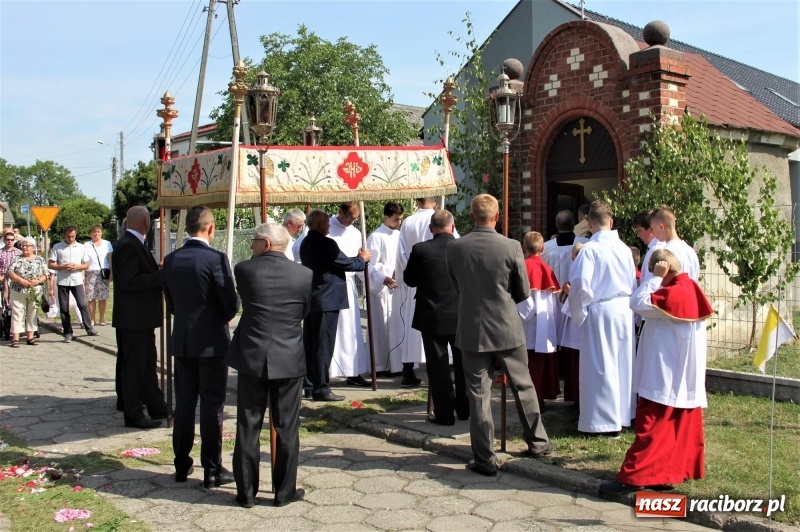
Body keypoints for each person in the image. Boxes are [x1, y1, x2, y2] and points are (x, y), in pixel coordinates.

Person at [447, 194, 552, 476]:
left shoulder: (455, 247)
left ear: (472, 216)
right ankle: (538, 441)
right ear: (496, 217)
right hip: (506, 324)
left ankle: (484, 458)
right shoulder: (511, 246)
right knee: (523, 385)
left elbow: (456, 285)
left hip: (472, 326)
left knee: (478, 394)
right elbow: (523, 291)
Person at [601, 249, 713, 493]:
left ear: (663, 269)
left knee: (653, 425)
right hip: (682, 372)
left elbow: (637, 302)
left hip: (665, 370)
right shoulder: (689, 288)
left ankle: (634, 475)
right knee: (675, 428)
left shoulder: (671, 292)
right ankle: (664, 474)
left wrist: (654, 278)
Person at [227, 223, 312, 508]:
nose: (251, 246)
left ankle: (247, 493)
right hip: (288, 355)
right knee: (287, 426)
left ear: (264, 244)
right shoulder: (304, 274)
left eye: (254, 241)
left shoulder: (244, 270)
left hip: (253, 355)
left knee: (248, 425)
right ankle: (284, 491)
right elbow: (304, 310)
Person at [163, 206, 239, 487]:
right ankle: (212, 468)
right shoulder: (216, 258)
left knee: (184, 404)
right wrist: (223, 315)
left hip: (184, 340)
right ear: (210, 229)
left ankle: (181, 464)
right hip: (211, 342)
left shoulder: (171, 260)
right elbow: (229, 302)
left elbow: (171, 302)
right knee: (212, 405)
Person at [568, 200, 637, 436]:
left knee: (601, 365)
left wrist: (579, 312)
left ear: (589, 223)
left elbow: (580, 284)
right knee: (622, 363)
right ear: (611, 221)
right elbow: (632, 282)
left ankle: (603, 422)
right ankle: (622, 415)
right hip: (624, 309)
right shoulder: (625, 249)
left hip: (601, 310)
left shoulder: (590, 249)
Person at [403, 209, 468, 426]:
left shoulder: (421, 249)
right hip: (460, 314)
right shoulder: (463, 248)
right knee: (463, 364)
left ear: (431, 228)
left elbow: (410, 279)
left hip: (432, 315)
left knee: (438, 366)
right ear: (453, 226)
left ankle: (444, 414)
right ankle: (464, 409)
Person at [300, 209, 370, 401]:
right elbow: (346, 263)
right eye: (327, 222)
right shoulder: (326, 243)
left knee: (311, 343)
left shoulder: (306, 242)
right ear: (320, 224)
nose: (329, 225)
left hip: (313, 297)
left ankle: (309, 383)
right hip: (327, 298)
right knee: (323, 345)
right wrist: (362, 259)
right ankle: (321, 388)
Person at [112, 206, 168, 429]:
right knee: (135, 366)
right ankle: (134, 413)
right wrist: (160, 276)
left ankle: (156, 405)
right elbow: (130, 281)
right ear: (145, 222)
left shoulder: (132, 243)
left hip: (139, 317)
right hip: (134, 316)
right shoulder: (129, 245)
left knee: (146, 363)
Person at [396, 198, 459, 386]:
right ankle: (462, 395)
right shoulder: (455, 238)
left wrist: (412, 275)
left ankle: (409, 369)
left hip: (424, 292)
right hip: (452, 298)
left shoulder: (408, 222)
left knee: (430, 350)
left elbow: (402, 254)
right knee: (456, 354)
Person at [541, 211, 587, 405]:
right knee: (572, 340)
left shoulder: (547, 247)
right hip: (575, 296)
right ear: (574, 223)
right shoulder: (585, 244)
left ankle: (558, 372)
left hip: (554, 297)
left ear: (556, 225)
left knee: (556, 336)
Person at [327, 202, 370, 386]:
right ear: (341, 211)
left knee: (351, 331)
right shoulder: (326, 227)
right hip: (331, 284)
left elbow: (360, 262)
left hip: (349, 284)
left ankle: (353, 371)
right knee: (332, 331)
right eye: (349, 217)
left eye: (355, 218)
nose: (351, 221)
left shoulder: (355, 233)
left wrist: (374, 280)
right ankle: (325, 373)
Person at [520, 232, 561, 409]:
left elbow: (520, 299)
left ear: (524, 247)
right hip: (544, 322)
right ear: (542, 248)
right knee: (540, 364)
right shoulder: (547, 269)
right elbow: (554, 302)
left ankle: (530, 401)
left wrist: (524, 315)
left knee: (527, 364)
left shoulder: (522, 267)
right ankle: (539, 398)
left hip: (526, 322)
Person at [366, 201, 404, 376]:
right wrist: (384, 276)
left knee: (397, 327)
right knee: (381, 328)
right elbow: (369, 266)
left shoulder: (399, 235)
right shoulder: (376, 236)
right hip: (382, 289)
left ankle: (398, 364)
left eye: (400, 219)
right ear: (386, 217)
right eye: (396, 219)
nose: (399, 223)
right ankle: (381, 365)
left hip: (397, 287)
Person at [48, 226, 98, 342]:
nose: (70, 239)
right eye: (68, 236)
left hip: (76, 280)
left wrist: (77, 267)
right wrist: (62, 266)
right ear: (64, 235)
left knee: (82, 304)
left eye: (73, 236)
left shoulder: (81, 247)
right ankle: (67, 332)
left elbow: (86, 264)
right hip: (63, 281)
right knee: (64, 308)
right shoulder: (57, 247)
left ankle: (89, 328)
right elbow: (51, 264)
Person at [6, 237, 48, 347]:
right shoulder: (16, 258)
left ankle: (30, 337)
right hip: (18, 290)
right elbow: (10, 272)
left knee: (32, 313)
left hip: (34, 291)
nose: (24, 247)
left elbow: (46, 274)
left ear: (33, 247)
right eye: (23, 245)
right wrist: (21, 281)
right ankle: (15, 339)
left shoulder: (40, 259)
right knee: (17, 313)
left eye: (27, 245)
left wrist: (37, 281)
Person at [649, 206, 699, 281]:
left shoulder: (666, 253)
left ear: (661, 227)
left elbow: (660, 283)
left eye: (652, 229)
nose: (652, 233)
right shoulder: (691, 251)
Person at [84, 224, 113, 327]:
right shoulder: (86, 245)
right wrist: (83, 275)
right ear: (91, 234)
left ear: (101, 233)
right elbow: (84, 260)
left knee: (102, 297)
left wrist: (112, 272)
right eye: (94, 232)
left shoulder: (107, 243)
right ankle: (92, 319)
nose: (96, 234)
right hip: (90, 272)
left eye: (98, 232)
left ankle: (102, 318)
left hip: (103, 272)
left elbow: (110, 259)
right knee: (91, 297)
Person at [632, 209, 665, 286]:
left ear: (651, 229)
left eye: (640, 231)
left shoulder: (655, 251)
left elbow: (649, 284)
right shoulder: (660, 246)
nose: (638, 235)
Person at [0, 229, 22, 304]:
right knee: (5, 301)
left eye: (12, 240)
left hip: (16, 280)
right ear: (4, 240)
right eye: (8, 239)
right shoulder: (0, 252)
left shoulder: (19, 253)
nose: (10, 241)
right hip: (3, 279)